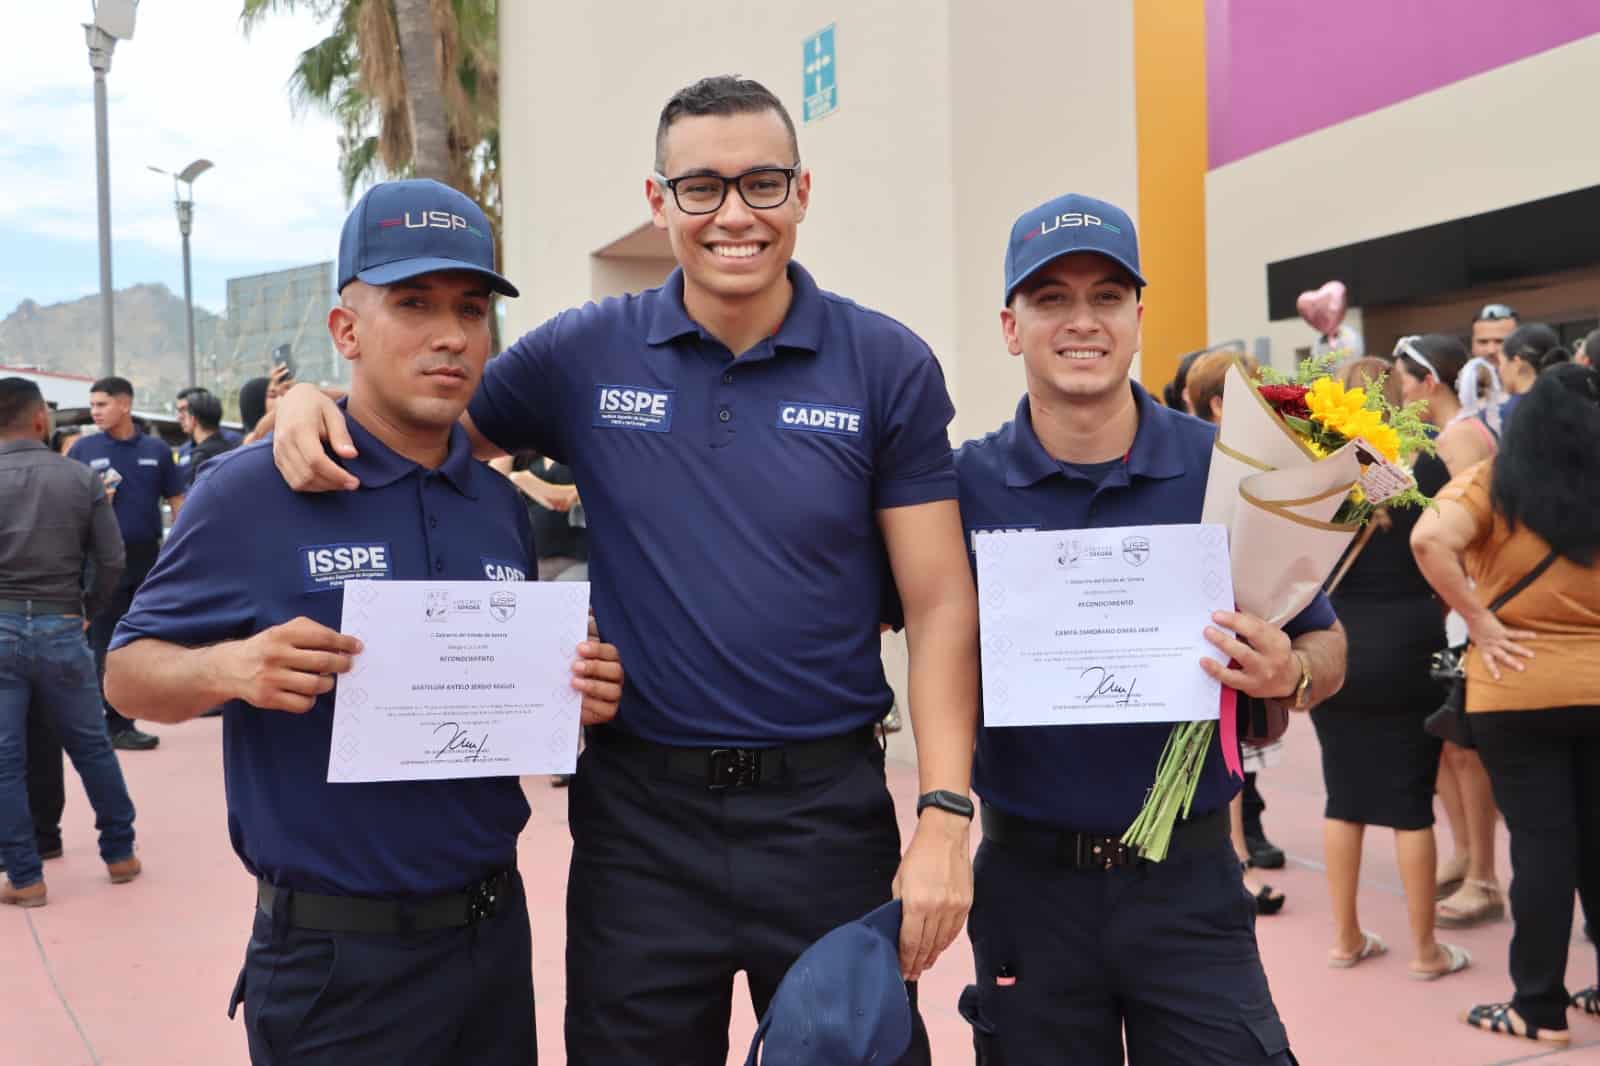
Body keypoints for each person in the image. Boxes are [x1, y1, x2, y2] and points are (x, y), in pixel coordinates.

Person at [269, 76, 979, 1066]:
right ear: (659, 202)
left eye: (762, 184)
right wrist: (312, 400)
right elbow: (422, 427)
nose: (734, 214)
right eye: (702, 188)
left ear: (803, 192)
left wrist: (944, 813)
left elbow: (941, 604)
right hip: (640, 825)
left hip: (826, 815)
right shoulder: (583, 353)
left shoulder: (884, 364)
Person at [103, 179, 626, 1066]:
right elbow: (126, 673)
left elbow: (492, 702)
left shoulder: (495, 505)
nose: (450, 334)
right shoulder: (252, 491)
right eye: (412, 304)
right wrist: (230, 669)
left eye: (470, 308)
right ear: (346, 331)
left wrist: (568, 693)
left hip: (493, 941)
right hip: (335, 966)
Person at [952, 193, 1347, 1065]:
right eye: (1050, 298)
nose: (1081, 320)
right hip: (1029, 885)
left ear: (1138, 315)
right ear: (1011, 325)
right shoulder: (961, 487)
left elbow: (1326, 643)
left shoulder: (1228, 471)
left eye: (1106, 296)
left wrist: (1291, 672)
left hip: (1190, 882)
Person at [1411, 363, 1600, 1048]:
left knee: (1544, 847)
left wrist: (1481, 621)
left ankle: (1538, 1006)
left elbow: (1428, 538)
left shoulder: (1496, 483)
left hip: (1516, 689)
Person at [1308, 357, 1467, 978]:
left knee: (1341, 796)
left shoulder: (1320, 469)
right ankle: (1426, 950)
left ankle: (1346, 938)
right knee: (1410, 801)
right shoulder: (1423, 463)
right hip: (1409, 636)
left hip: (1334, 637)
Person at [0, 377, 140, 907]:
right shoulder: (80, 479)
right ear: (40, 420)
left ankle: (25, 877)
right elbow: (112, 560)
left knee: (5, 759)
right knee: (91, 745)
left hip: (3, 626)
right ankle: (120, 853)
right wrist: (85, 610)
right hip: (63, 624)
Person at [1391, 333, 1505, 925]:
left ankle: (1485, 874)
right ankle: (1464, 856)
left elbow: (1478, 525)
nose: (1395, 389)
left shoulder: (1461, 435)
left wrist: (1461, 598)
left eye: (1400, 379)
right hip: (1448, 608)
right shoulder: (1439, 435)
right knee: (1447, 746)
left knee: (1466, 749)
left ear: (1426, 382)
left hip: (1465, 608)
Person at [1178, 348, 1287, 904]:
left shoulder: (1257, 472)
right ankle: (1241, 851)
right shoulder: (1195, 468)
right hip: (1196, 662)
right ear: (1219, 403)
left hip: (1236, 649)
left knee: (1230, 750)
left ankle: (1244, 847)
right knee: (1222, 750)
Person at [67, 376, 184, 751]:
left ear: (125, 405)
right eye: (93, 405)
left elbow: (178, 501)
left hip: (148, 558)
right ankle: (113, 723)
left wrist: (181, 550)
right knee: (104, 639)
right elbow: (66, 504)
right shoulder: (83, 450)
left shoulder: (157, 450)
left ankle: (125, 714)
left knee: (145, 636)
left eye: (101, 404)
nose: (94, 412)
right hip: (101, 559)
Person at [1497, 323, 1563, 427]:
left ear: (1517, 363)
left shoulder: (1505, 414)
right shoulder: (1572, 403)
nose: (1499, 370)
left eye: (1500, 362)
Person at [176, 386, 244, 476]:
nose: (180, 417)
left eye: (185, 410)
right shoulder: (184, 450)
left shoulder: (235, 441)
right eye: (178, 411)